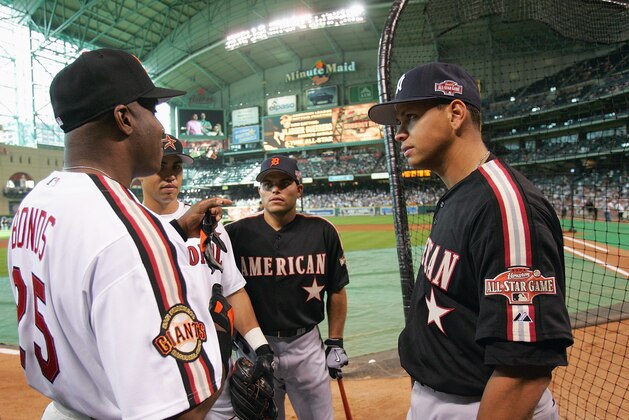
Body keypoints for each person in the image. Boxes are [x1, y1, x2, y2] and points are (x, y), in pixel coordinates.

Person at [8, 48, 231, 419]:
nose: (161, 128)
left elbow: (87, 262)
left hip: (62, 407)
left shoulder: (35, 202)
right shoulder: (129, 234)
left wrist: (172, 231)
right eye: (153, 111)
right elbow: (176, 414)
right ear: (124, 118)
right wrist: (221, 341)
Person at [368, 62, 573, 419]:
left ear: (455, 113)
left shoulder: (505, 205)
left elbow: (524, 365)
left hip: (483, 406)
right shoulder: (460, 194)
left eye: (410, 117)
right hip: (441, 397)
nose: (399, 133)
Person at [140, 133, 275, 420]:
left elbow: (233, 290)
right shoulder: (129, 225)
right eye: (160, 166)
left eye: (176, 167)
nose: (169, 176)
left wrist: (261, 347)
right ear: (140, 169)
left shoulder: (210, 225)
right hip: (158, 368)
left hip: (215, 364)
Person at [225, 156, 350, 420]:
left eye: (284, 183)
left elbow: (337, 289)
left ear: (299, 189)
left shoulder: (322, 231)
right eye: (267, 184)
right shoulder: (235, 234)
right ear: (259, 191)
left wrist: (336, 341)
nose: (275, 190)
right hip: (254, 348)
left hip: (305, 346)